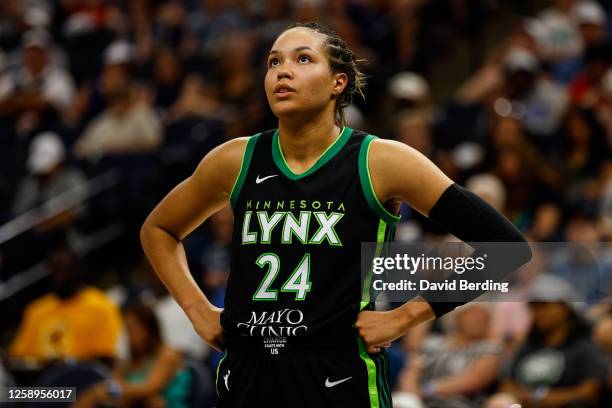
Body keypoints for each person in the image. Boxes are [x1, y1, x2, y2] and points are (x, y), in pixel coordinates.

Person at [140, 22, 531, 407]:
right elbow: (158, 229)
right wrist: (197, 310)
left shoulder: (381, 161)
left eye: (303, 58)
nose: (283, 70)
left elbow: (506, 248)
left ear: (338, 82)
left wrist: (408, 315)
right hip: (248, 369)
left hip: (338, 371)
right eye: (274, 62)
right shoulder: (234, 159)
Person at [74, 301, 192, 408]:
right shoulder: (129, 359)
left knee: (150, 400)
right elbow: (114, 382)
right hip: (134, 402)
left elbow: (149, 388)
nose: (129, 337)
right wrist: (103, 392)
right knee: (91, 395)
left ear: (148, 330)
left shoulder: (168, 354)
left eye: (132, 330)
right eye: (127, 331)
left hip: (163, 404)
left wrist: (112, 390)